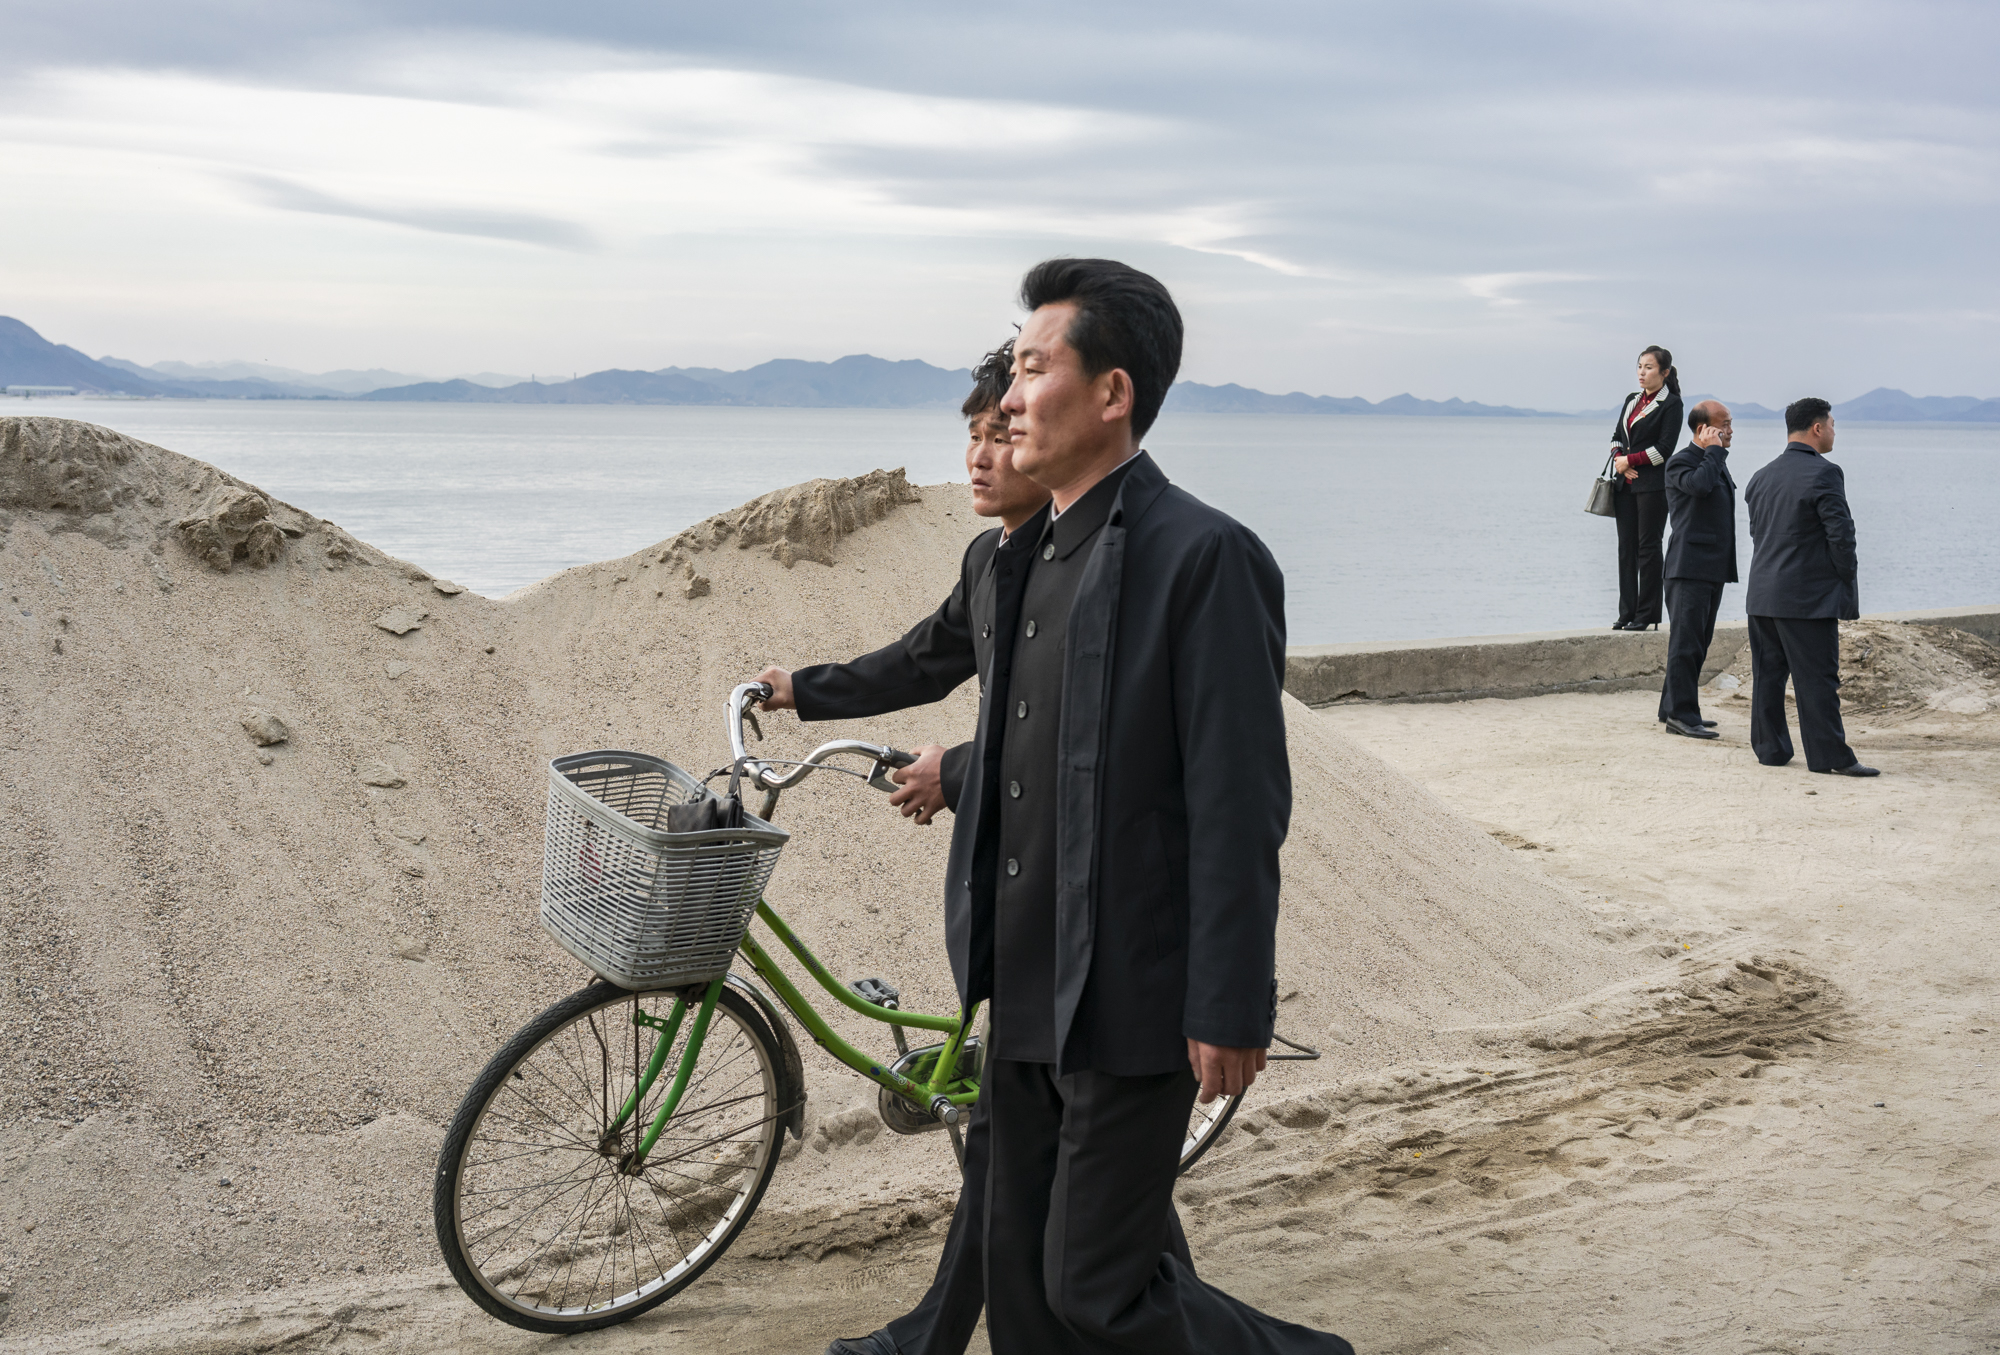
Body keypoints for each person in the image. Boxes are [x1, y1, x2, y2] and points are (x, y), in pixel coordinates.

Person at [775, 257, 1351, 1355]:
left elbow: (1239, 798)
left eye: (1033, 368)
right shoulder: (1019, 557)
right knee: (1028, 1291)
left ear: (1112, 392)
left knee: (1097, 1285)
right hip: (1021, 974)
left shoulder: (1203, 556)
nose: (1006, 401)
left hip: (1131, 989)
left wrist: (1229, 1001)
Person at [754, 340, 1051, 1355]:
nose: (978, 456)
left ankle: (922, 1340)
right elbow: (926, 657)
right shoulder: (990, 558)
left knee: (1016, 1126)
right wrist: (805, 688)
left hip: (1054, 885)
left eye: (1000, 434)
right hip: (1001, 870)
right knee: (1051, 1141)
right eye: (969, 435)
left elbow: (1069, 733)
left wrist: (952, 774)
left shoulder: (1077, 567)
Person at [1742, 397, 1877, 776]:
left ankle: (1771, 750)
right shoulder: (1825, 473)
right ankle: (1830, 757)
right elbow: (1841, 536)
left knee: (1768, 675)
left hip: (1762, 594)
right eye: (1832, 424)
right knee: (1817, 678)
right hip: (1805, 597)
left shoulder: (1761, 476)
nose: (1834, 431)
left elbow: (1758, 534)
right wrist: (1843, 578)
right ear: (1817, 428)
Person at [1657, 400, 1737, 739]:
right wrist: (1715, 452)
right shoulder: (1681, 462)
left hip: (1711, 567)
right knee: (1686, 644)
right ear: (1703, 429)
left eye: (1731, 424)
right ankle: (1681, 715)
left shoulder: (1709, 460)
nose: (1730, 431)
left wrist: (1715, 454)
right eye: (1724, 425)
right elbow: (1700, 486)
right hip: (1687, 567)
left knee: (1697, 642)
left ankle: (1672, 707)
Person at [1607, 345, 1685, 630]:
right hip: (1624, 485)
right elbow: (1617, 437)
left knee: (1648, 549)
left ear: (1664, 373)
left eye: (1649, 367)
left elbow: (1665, 449)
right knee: (1626, 548)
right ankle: (1626, 612)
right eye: (1640, 366)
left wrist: (1630, 460)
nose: (1642, 372)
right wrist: (1620, 461)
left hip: (1653, 487)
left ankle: (1647, 615)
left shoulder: (1672, 404)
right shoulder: (1631, 400)